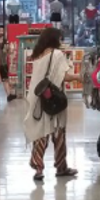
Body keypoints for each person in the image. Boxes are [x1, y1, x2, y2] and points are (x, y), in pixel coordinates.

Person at [24, 27, 79, 182]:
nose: (61, 42)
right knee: (59, 131)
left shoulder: (38, 54)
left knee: (41, 132)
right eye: (60, 39)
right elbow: (65, 77)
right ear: (55, 39)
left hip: (38, 98)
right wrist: (79, 77)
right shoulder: (58, 55)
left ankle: (38, 168)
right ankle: (61, 166)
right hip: (54, 98)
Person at [0, 25, 16, 102]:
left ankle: (9, 95)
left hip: (4, 63)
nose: (1, 32)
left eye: (2, 31)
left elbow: (8, 52)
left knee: (6, 80)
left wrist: (10, 50)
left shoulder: (5, 41)